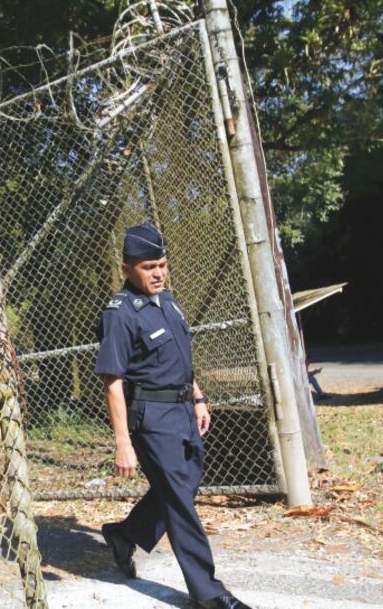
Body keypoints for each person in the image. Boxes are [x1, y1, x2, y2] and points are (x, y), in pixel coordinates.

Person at [95, 224, 252, 609]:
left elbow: (181, 360)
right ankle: (209, 593)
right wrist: (123, 442)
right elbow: (112, 381)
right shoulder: (120, 314)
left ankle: (125, 534)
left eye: (163, 265)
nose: (158, 273)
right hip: (152, 418)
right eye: (149, 266)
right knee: (181, 503)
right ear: (127, 268)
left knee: (185, 485)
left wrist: (198, 398)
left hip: (183, 409)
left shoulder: (168, 301)